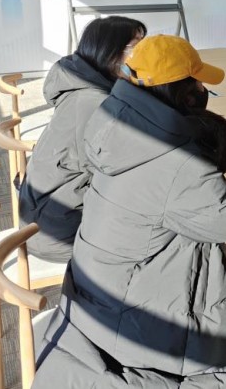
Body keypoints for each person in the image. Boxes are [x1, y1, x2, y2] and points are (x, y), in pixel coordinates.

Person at [33, 35, 226, 389]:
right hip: (137, 324)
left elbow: (166, 182)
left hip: (95, 293)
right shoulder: (179, 165)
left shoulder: (111, 122)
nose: (203, 90)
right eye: (198, 83)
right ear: (184, 93)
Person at [18, 15, 146, 262]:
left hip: (44, 215)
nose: (143, 54)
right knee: (160, 229)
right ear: (110, 53)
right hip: (59, 232)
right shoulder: (95, 104)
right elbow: (121, 173)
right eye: (136, 47)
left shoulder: (82, 88)